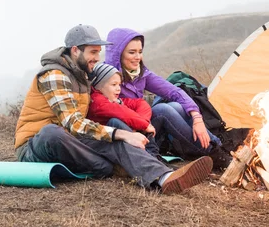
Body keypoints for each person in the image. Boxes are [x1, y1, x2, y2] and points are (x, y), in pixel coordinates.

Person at [13, 24, 212, 194]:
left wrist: (119, 130)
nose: (97, 58)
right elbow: (73, 123)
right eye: (93, 52)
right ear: (75, 50)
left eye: (98, 52)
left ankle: (164, 177)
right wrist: (122, 135)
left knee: (109, 148)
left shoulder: (82, 74)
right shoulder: (55, 75)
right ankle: (121, 166)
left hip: (70, 140)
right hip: (36, 145)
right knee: (52, 133)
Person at [104, 28, 231, 169]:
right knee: (162, 110)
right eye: (132, 52)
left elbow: (174, 91)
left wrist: (197, 118)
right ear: (118, 54)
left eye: (140, 52)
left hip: (145, 127)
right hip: (126, 134)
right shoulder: (106, 78)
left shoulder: (141, 74)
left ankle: (217, 144)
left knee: (176, 105)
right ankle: (215, 154)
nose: (138, 57)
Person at [87, 62, 160, 157]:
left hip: (126, 140)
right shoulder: (97, 101)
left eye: (119, 85)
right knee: (116, 121)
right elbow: (120, 112)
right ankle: (150, 155)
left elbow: (141, 103)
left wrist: (143, 123)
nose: (118, 89)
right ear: (98, 85)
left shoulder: (116, 100)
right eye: (113, 85)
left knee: (143, 119)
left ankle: (153, 153)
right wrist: (144, 125)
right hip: (105, 143)